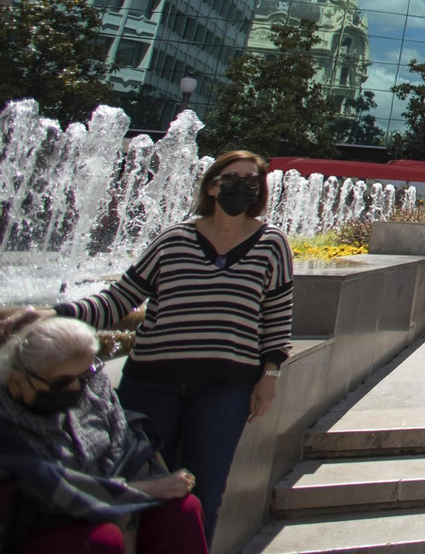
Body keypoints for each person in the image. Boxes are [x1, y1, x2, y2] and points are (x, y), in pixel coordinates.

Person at [53, 150, 294, 546]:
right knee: (136, 483)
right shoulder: (175, 239)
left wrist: (270, 374)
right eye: (233, 178)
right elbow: (118, 301)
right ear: (213, 185)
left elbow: (277, 317)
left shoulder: (271, 244)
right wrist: (53, 315)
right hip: (151, 384)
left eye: (253, 181)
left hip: (225, 388)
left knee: (204, 491)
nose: (243, 187)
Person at [0, 312, 207, 553]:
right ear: (16, 383)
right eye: (63, 382)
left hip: (113, 497)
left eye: (85, 373)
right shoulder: (7, 421)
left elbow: (125, 448)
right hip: (39, 523)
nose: (79, 388)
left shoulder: (94, 389)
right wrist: (139, 493)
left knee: (181, 511)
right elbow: (49, 489)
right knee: (103, 539)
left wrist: (126, 516)